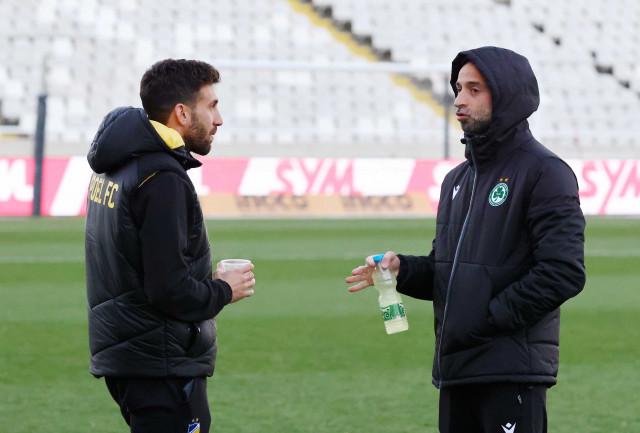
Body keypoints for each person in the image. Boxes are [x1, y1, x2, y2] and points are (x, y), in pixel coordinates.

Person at [346, 46, 585, 433]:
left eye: (474, 90)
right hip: (457, 370)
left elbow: (563, 272)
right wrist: (403, 269)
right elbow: (448, 270)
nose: (459, 100)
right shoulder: (456, 180)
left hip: (510, 372)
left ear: (506, 96)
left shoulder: (546, 172)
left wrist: (488, 319)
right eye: (458, 88)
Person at [85, 59, 256, 433]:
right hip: (159, 362)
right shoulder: (162, 178)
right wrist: (224, 289)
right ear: (182, 113)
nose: (219, 119)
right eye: (211, 106)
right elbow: (168, 289)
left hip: (131, 356)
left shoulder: (118, 163)